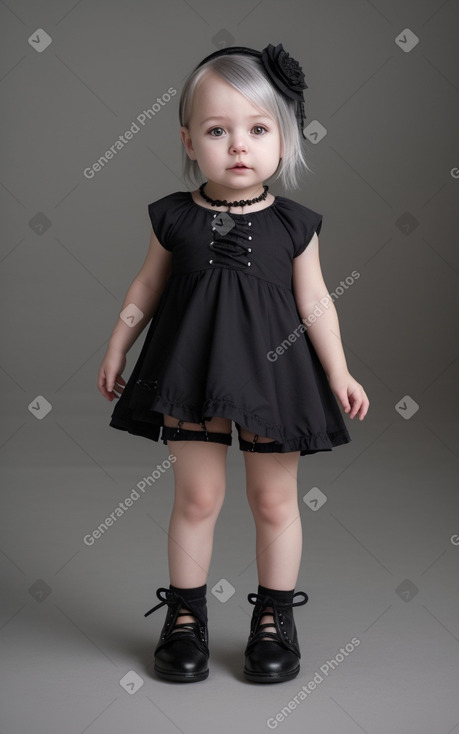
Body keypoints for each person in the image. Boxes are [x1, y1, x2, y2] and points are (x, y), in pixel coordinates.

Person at [97, 42, 369, 684]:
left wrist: (340, 372)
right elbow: (145, 291)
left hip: (276, 382)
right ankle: (185, 620)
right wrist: (117, 346)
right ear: (189, 141)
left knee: (274, 501)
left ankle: (273, 621)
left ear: (284, 138)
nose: (238, 145)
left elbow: (317, 303)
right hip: (190, 379)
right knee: (197, 496)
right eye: (218, 131)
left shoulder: (296, 225)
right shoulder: (174, 217)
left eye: (257, 129)